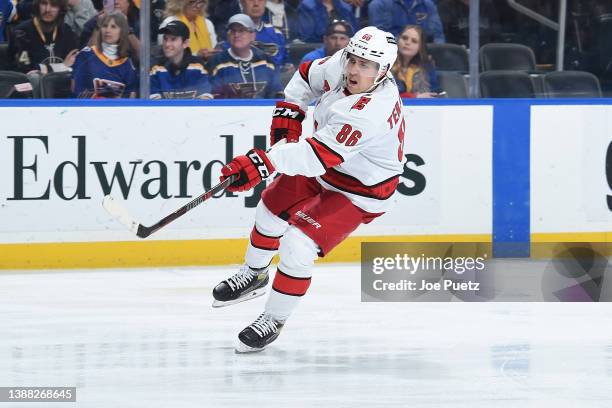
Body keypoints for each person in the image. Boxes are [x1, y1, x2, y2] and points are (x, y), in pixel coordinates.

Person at [212, 26, 406, 352]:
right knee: (271, 206)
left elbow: (315, 157)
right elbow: (303, 79)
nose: (354, 69)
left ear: (383, 71)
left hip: (361, 190)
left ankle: (273, 319)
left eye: (365, 65)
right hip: (329, 167)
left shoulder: (372, 111)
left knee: (298, 243)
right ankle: (255, 273)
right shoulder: (341, 67)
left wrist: (263, 163)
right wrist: (292, 112)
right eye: (353, 59)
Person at [208, 13, 282, 99]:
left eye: (241, 31)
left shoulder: (266, 62)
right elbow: (213, 97)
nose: (236, 35)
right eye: (233, 31)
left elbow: (277, 93)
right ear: (228, 36)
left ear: (252, 35)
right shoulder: (216, 62)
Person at [72, 10, 138, 97]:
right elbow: (75, 90)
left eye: (113, 27)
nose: (107, 30)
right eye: (105, 26)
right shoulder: (86, 55)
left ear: (122, 31)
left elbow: (131, 99)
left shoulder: (128, 65)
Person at [8, 0, 79, 73]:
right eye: (44, 3)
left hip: (61, 83)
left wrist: (43, 69)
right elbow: (25, 69)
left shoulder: (67, 32)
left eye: (54, 5)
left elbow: (74, 64)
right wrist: (61, 66)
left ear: (61, 9)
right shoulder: (21, 33)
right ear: (37, 6)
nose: (47, 10)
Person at [150, 20, 212, 99]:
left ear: (185, 43)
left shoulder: (198, 67)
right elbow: (153, 107)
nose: (167, 44)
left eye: (173, 39)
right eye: (165, 39)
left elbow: (205, 100)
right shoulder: (156, 68)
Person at [391, 24, 440, 98]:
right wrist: (414, 96)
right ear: (398, 40)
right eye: (404, 38)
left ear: (420, 48)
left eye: (414, 41)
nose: (407, 43)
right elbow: (383, 97)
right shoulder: (385, 66)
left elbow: (435, 94)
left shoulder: (427, 68)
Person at [368, 0, 445, 43]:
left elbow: (438, 36)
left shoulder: (428, 5)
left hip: (423, 55)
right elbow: (379, 38)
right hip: (390, 56)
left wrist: (435, 54)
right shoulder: (379, 4)